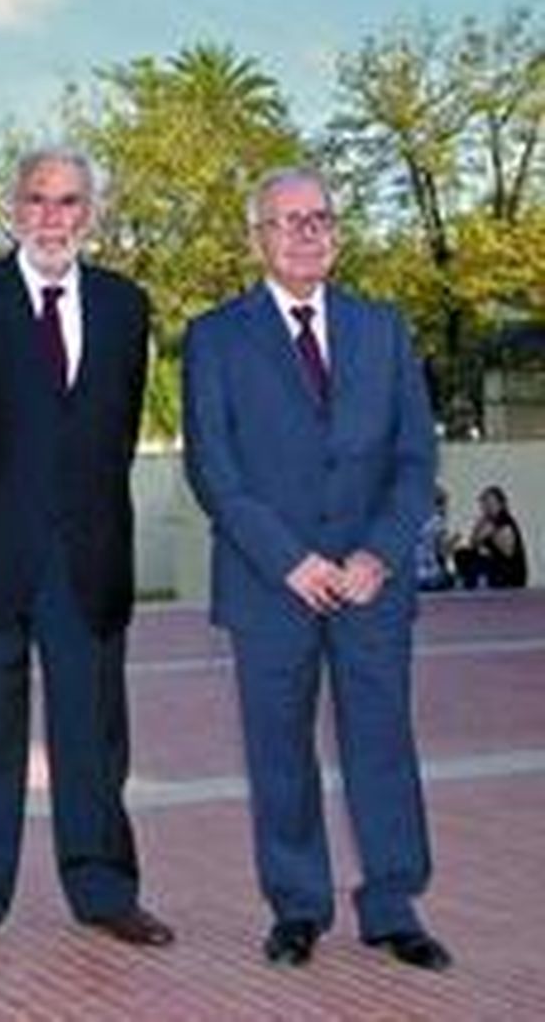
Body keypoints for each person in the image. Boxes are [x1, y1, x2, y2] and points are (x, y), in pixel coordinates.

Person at [182, 166, 451, 972]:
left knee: (383, 743)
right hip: (273, 587)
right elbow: (215, 469)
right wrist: (290, 560)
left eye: (320, 218)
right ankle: (298, 907)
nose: (307, 232)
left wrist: (379, 552)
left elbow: (415, 456)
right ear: (257, 236)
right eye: (288, 220)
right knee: (279, 750)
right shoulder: (216, 336)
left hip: (372, 584)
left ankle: (394, 903)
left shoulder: (383, 327)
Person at [0, 146, 174, 962]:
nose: (52, 217)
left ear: (90, 213)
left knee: (94, 737)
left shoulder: (125, 306)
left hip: (88, 563)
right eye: (37, 200)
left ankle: (105, 891)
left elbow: (112, 432)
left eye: (69, 202)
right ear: (12, 208)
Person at [454, 485, 529, 589]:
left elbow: (507, 552)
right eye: (484, 503)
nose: (487, 507)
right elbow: (473, 543)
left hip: (509, 573)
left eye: (490, 503)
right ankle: (467, 583)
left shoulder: (503, 520)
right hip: (498, 567)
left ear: (501, 504)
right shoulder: (488, 520)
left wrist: (486, 533)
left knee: (476, 563)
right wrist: (480, 526)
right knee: (462, 554)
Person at [414, 485, 457, 592]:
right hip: (429, 575)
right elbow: (442, 551)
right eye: (444, 504)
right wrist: (454, 541)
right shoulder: (436, 521)